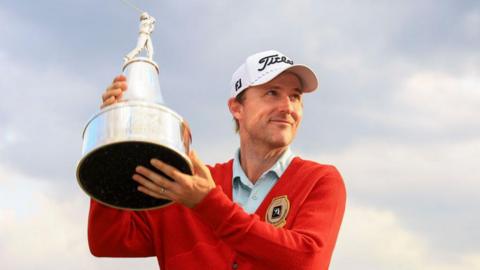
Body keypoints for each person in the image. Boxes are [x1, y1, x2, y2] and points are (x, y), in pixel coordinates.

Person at [89, 50, 346, 270]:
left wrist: (207, 203)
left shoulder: (320, 180)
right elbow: (108, 240)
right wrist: (112, 142)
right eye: (272, 93)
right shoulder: (184, 186)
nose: (288, 107)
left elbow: (307, 260)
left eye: (295, 96)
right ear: (237, 108)